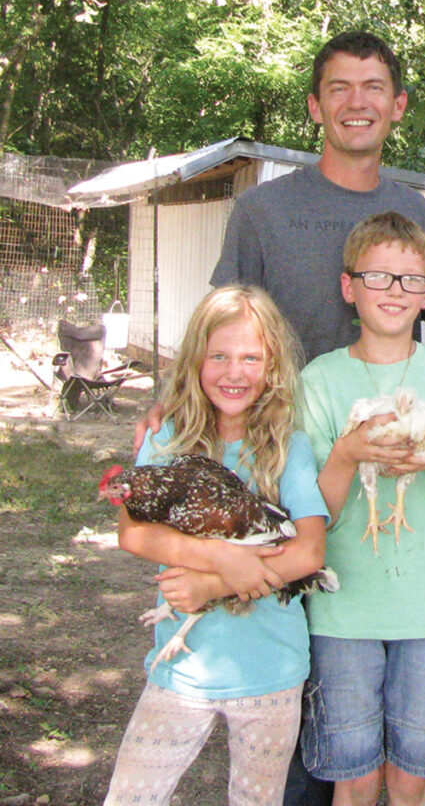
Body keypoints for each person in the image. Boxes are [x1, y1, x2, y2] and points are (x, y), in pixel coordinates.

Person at [297, 211, 425, 806]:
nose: (394, 292)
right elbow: (313, 515)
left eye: (410, 280)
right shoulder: (320, 380)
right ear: (348, 286)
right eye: (378, 277)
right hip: (342, 609)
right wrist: (346, 455)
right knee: (352, 776)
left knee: (414, 774)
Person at [104, 285, 329, 805]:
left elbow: (310, 553)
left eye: (251, 358)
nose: (235, 372)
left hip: (271, 664)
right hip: (182, 666)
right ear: (195, 361)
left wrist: (209, 583)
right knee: (132, 795)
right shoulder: (169, 437)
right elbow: (131, 530)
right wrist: (223, 558)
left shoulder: (286, 445)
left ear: (272, 366)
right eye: (220, 356)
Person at [209, 30, 425, 365]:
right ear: (316, 106)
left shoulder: (414, 211)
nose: (357, 102)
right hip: (287, 414)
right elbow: (218, 329)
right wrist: (176, 398)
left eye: (373, 87)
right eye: (339, 88)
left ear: (398, 105)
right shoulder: (261, 209)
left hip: (392, 414)